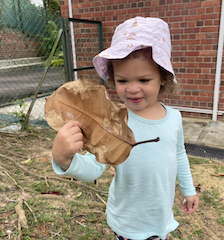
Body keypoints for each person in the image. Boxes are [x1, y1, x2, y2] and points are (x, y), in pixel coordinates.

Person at [51, 16, 199, 240]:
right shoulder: (113, 123)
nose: (132, 89)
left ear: (162, 77)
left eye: (143, 80)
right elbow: (95, 168)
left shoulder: (174, 118)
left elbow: (179, 154)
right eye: (122, 81)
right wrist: (64, 159)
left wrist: (188, 190)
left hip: (161, 220)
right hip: (128, 225)